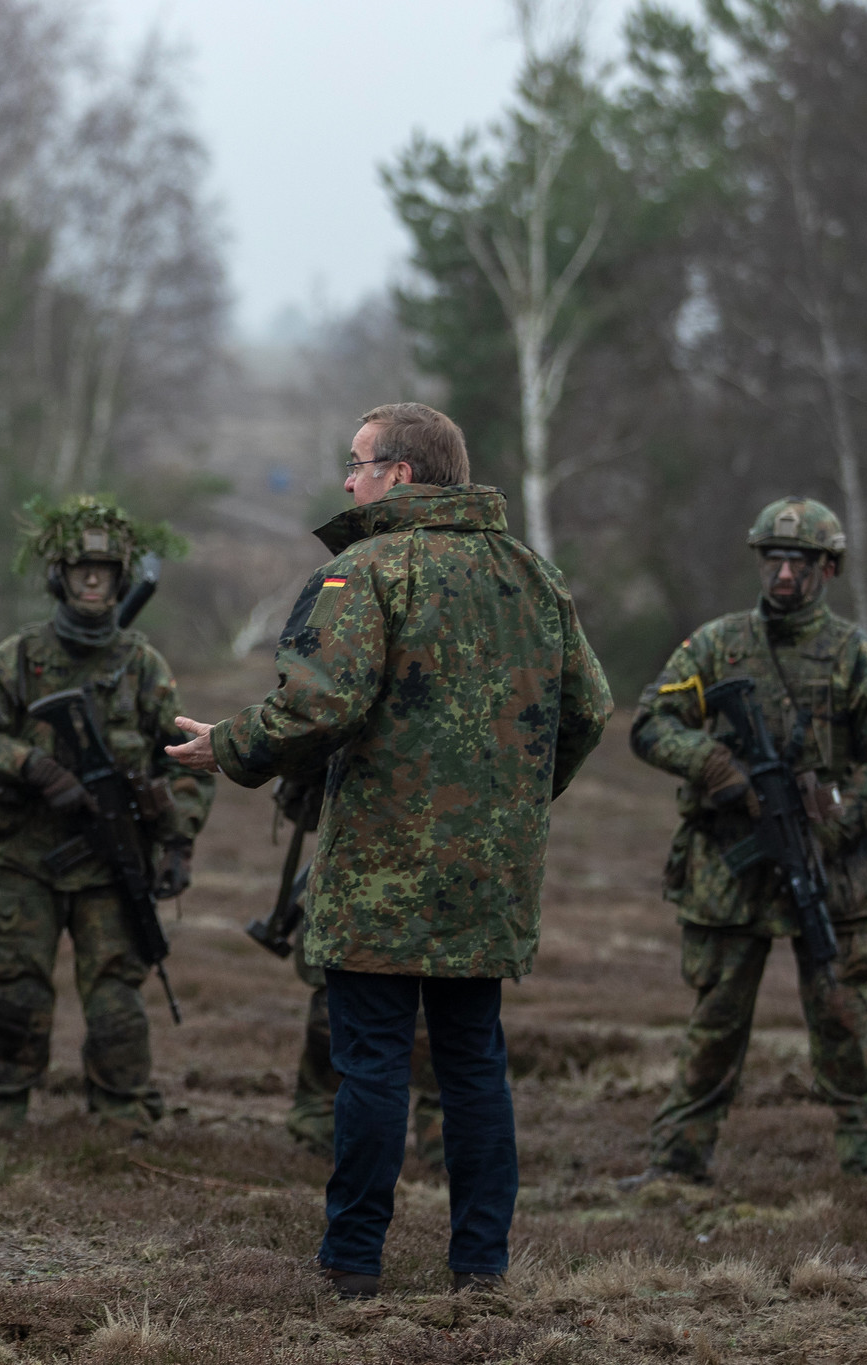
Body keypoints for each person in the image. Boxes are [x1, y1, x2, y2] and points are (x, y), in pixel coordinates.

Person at [168, 402, 610, 1298]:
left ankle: (352, 1263)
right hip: (488, 879)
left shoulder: (366, 572)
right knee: (473, 1063)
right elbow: (591, 709)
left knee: (370, 1063)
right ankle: (481, 1265)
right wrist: (510, 808)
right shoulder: (533, 574)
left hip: (381, 874)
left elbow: (318, 706)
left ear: (401, 475)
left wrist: (231, 745)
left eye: (359, 462)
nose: (346, 479)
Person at [626, 497, 867, 1184]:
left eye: (802, 561)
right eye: (774, 559)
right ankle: (677, 1162)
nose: (785, 574)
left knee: (844, 1015)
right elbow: (651, 722)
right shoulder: (715, 645)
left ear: (828, 567)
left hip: (829, 865)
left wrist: (835, 813)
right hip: (731, 868)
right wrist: (715, 764)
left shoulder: (858, 658)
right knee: (716, 1020)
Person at [0, 494, 213, 1137]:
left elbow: (184, 759)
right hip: (25, 860)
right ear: (58, 577)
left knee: (117, 1000)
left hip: (110, 866)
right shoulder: (19, 657)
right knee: (18, 992)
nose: (92, 580)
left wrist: (177, 844)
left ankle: (123, 1113)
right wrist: (31, 766)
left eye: (104, 570)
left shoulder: (141, 666)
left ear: (120, 579)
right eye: (79, 569)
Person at [275, 778, 443, 1164]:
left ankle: (442, 1144)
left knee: (442, 1016)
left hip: (428, 868)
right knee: (340, 1012)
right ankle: (326, 1133)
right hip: (366, 866)